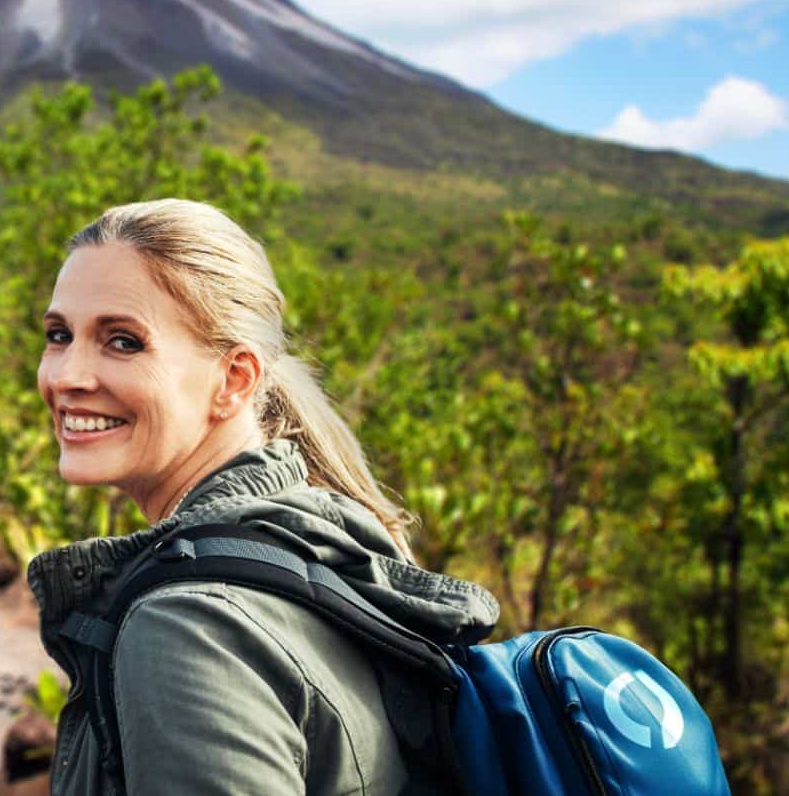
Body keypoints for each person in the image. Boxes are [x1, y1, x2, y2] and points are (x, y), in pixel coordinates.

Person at [27, 199, 499, 795]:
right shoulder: (323, 538)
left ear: (235, 379)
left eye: (123, 342)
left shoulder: (191, 627)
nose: (67, 375)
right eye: (59, 335)